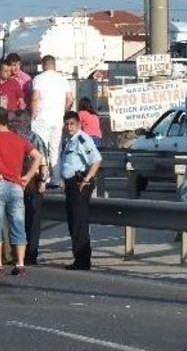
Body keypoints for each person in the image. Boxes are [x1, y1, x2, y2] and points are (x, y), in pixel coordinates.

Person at [0, 107, 42, 276]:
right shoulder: (19, 139)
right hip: (16, 185)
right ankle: (20, 263)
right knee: (18, 223)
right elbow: (38, 156)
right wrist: (27, 176)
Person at [59, 111, 103, 271]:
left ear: (78, 124)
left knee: (79, 223)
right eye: (66, 124)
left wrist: (86, 179)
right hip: (71, 184)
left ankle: (83, 261)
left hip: (80, 183)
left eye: (72, 123)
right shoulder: (69, 140)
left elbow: (96, 160)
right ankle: (79, 258)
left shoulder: (82, 139)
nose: (69, 127)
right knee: (73, 222)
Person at [12, 110, 49, 265]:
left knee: (32, 221)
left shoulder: (35, 138)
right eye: (15, 122)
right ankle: (17, 253)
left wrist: (42, 182)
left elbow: (44, 163)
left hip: (32, 184)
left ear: (27, 122)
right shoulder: (12, 137)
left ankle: (31, 254)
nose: (16, 124)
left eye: (19, 121)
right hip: (16, 183)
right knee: (18, 220)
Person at [31, 55, 74, 185]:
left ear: (43, 65)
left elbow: (35, 97)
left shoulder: (39, 78)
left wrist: (33, 114)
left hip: (42, 118)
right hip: (57, 119)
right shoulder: (63, 79)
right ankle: (56, 179)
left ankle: (44, 178)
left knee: (41, 148)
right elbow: (70, 99)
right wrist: (64, 111)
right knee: (56, 149)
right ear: (54, 65)